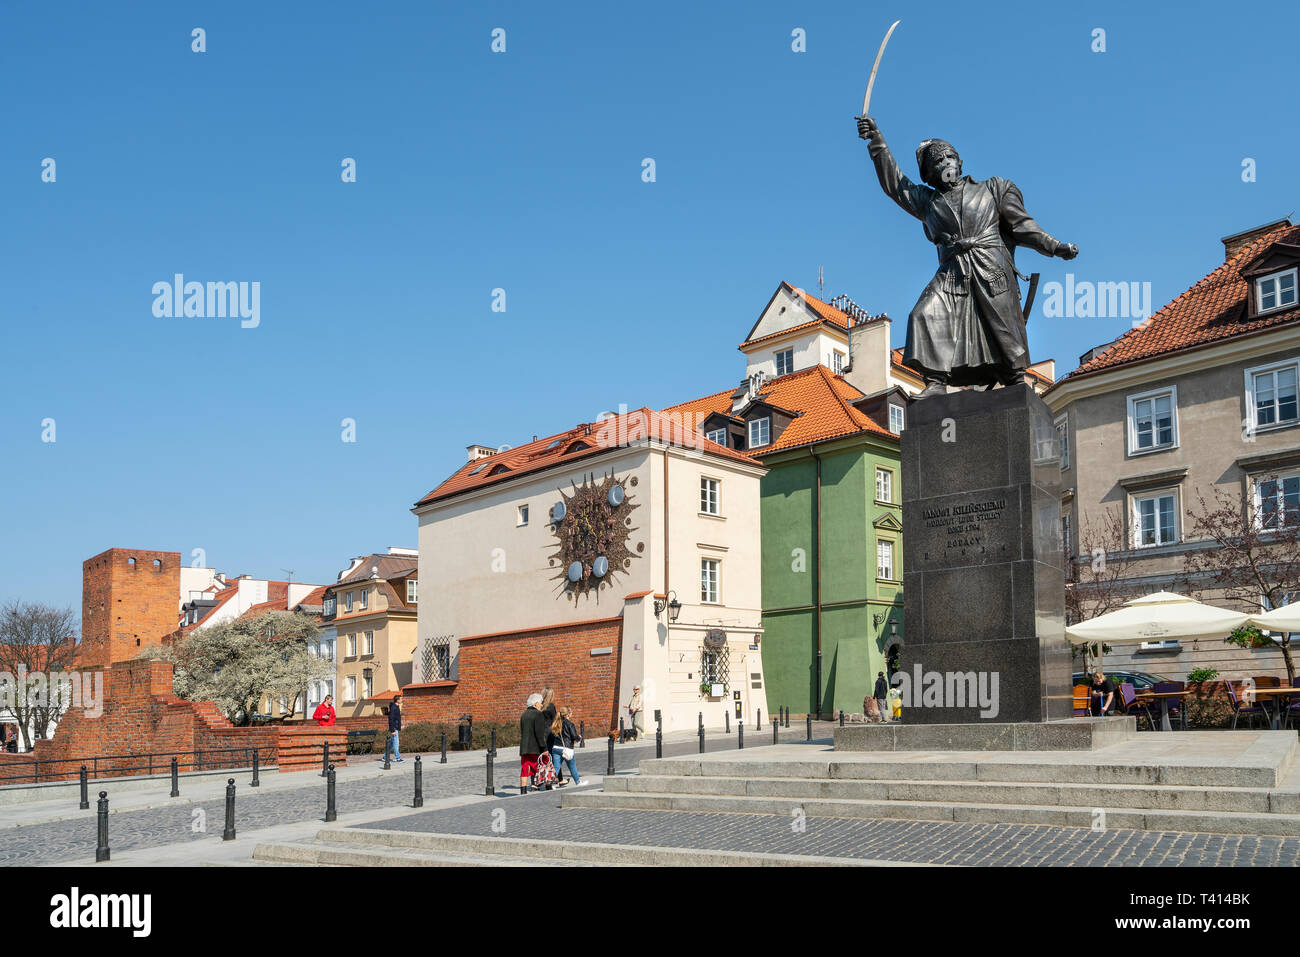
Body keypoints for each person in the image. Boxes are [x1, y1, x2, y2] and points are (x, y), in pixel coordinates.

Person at [856, 116, 1077, 397]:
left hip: (990, 266)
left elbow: (1023, 226)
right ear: (929, 174)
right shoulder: (928, 202)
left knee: (1003, 329)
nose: (945, 162)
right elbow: (895, 184)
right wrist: (877, 143)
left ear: (960, 162)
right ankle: (936, 380)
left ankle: (1015, 379)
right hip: (953, 272)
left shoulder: (994, 189)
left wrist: (1055, 246)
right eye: (937, 161)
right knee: (923, 314)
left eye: (949, 156)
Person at [519, 692, 550, 795]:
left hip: (524, 747)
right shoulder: (538, 714)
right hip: (535, 747)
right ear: (536, 703)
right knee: (542, 765)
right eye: (541, 703)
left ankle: (523, 790)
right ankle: (547, 785)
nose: (542, 705)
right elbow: (539, 734)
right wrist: (544, 748)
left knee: (525, 768)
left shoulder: (523, 714)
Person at [551, 705, 584, 787]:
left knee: (556, 767)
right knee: (572, 766)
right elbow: (574, 736)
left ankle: (551, 784)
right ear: (568, 714)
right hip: (566, 749)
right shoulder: (570, 724)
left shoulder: (556, 722)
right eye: (571, 712)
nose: (572, 713)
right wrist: (579, 737)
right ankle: (578, 782)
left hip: (556, 748)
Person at [386, 693, 404, 762]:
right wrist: (392, 730)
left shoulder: (396, 707)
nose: (402, 700)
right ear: (397, 700)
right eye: (401, 699)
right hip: (394, 728)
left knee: (392, 744)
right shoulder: (393, 707)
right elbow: (391, 719)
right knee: (396, 743)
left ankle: (385, 757)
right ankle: (398, 758)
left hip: (396, 728)